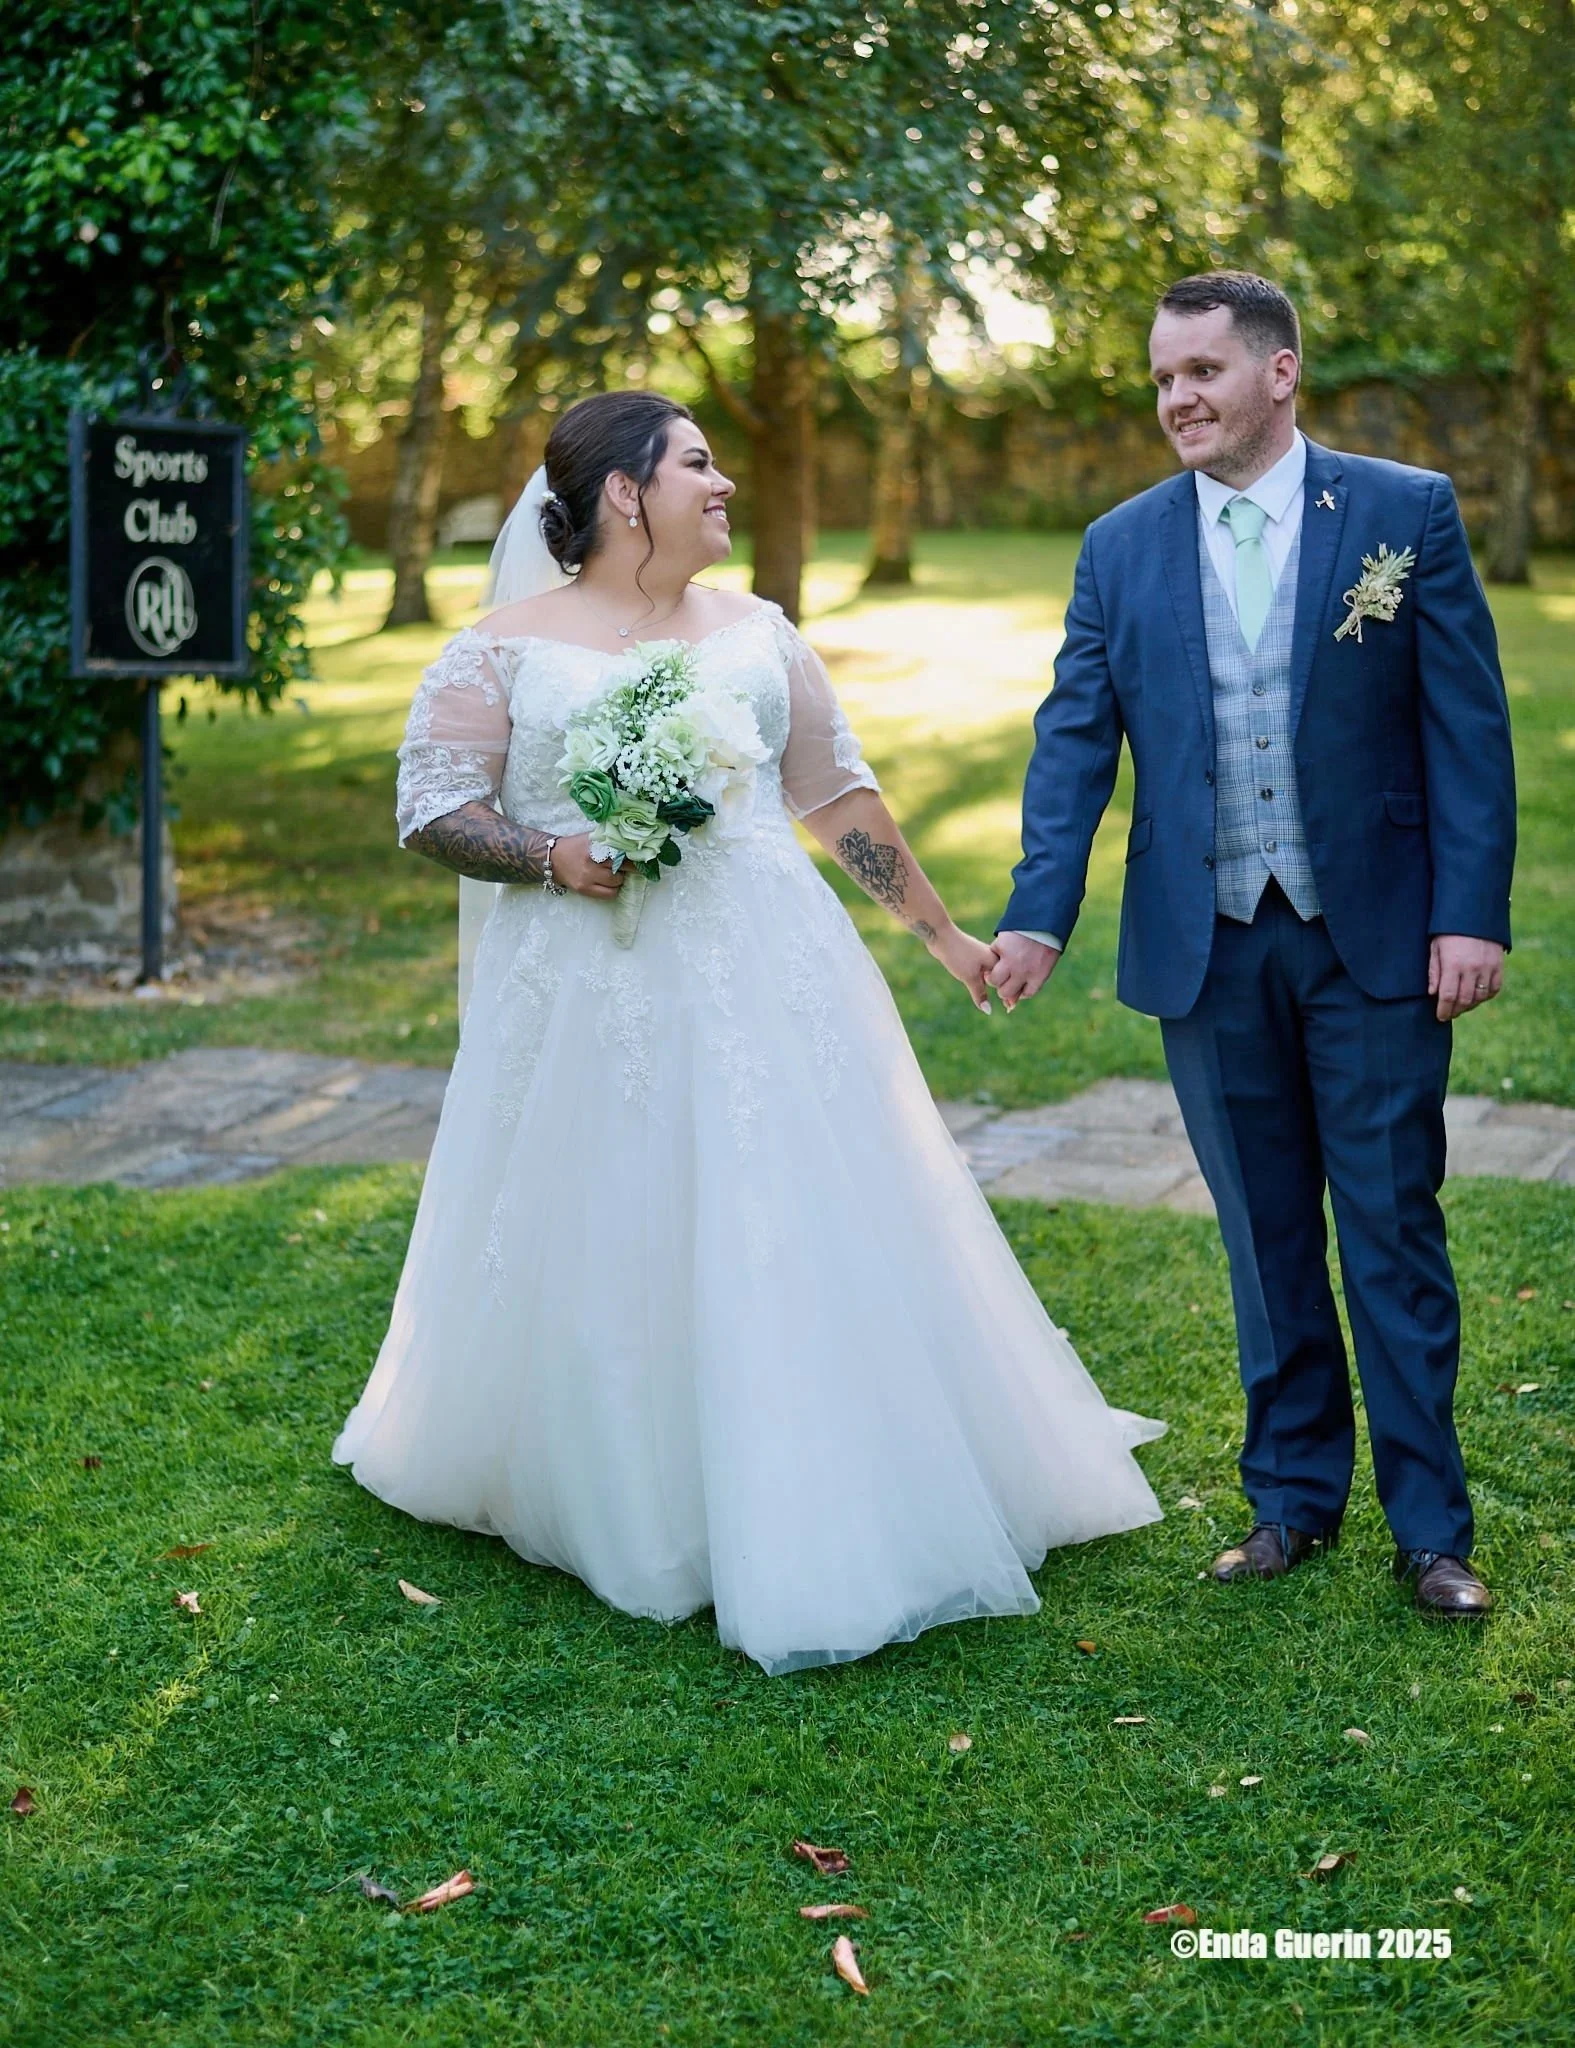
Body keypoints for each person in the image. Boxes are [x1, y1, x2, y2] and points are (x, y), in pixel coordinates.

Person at [332, 389, 1164, 1675]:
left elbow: (833, 797)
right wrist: (552, 850)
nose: (726, 487)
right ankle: (625, 1478)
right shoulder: (500, 647)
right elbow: (434, 806)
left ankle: (833, 1454)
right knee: (609, 1210)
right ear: (625, 492)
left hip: (771, 970)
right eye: (700, 466)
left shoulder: (761, 632)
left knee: (797, 1195)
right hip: (588, 982)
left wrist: (943, 935)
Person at [991, 272, 1515, 1620]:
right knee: (1260, 1231)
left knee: (1388, 1226)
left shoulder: (1400, 513)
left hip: (1377, 938)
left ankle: (1427, 1529)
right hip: (1205, 942)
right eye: (1162, 379)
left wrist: (1468, 914)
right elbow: (1071, 740)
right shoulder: (1116, 547)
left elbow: (1464, 726)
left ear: (1277, 372)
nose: (1175, 399)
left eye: (1201, 373)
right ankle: (1289, 1500)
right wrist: (1039, 906)